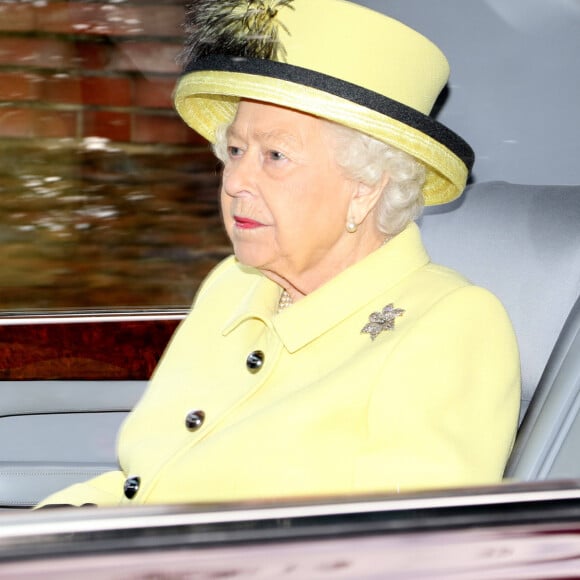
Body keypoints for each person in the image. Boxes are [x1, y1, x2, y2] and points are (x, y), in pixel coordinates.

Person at [37, 0, 520, 508]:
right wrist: (55, 525)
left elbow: (412, 548)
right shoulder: (234, 284)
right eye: (237, 150)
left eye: (275, 156)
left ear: (366, 187)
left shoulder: (451, 325)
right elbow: (144, 482)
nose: (236, 181)